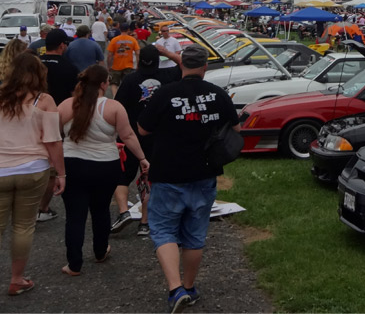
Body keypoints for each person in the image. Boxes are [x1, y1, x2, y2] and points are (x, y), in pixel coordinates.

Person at [138, 45, 239, 312]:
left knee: (163, 230)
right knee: (194, 234)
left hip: (168, 173)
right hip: (204, 172)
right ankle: (189, 286)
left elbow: (142, 129)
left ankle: (175, 289)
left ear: (181, 64)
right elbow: (236, 128)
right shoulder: (218, 94)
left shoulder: (165, 93)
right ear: (205, 67)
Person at [0, 52, 65, 310]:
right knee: (23, 225)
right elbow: (53, 141)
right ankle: (16, 280)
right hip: (32, 169)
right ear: (39, 74)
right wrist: (60, 173)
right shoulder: (44, 101)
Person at [57, 65, 149, 276]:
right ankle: (100, 251)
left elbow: (54, 137)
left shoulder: (65, 105)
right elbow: (128, 136)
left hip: (73, 164)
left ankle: (74, 264)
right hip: (105, 165)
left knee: (74, 215)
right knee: (100, 210)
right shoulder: (114, 107)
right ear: (103, 84)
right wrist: (142, 158)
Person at [110, 45, 164, 237]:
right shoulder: (166, 79)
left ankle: (124, 211)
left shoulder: (130, 80)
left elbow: (118, 106)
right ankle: (145, 222)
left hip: (129, 136)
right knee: (149, 177)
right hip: (156, 137)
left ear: (139, 60)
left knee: (122, 176)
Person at [35, 28, 80, 223]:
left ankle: (25, 202)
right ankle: (42, 208)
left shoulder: (35, 65)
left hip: (30, 118)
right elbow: (75, 98)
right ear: (62, 45)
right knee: (51, 164)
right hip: (57, 120)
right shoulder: (70, 67)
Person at [106, 22, 140, 96]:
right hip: (128, 65)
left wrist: (109, 66)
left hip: (116, 66)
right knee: (126, 83)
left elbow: (110, 55)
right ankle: (125, 98)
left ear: (119, 29)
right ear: (128, 29)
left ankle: (115, 97)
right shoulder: (133, 40)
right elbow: (138, 53)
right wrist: (138, 64)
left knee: (114, 83)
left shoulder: (114, 40)